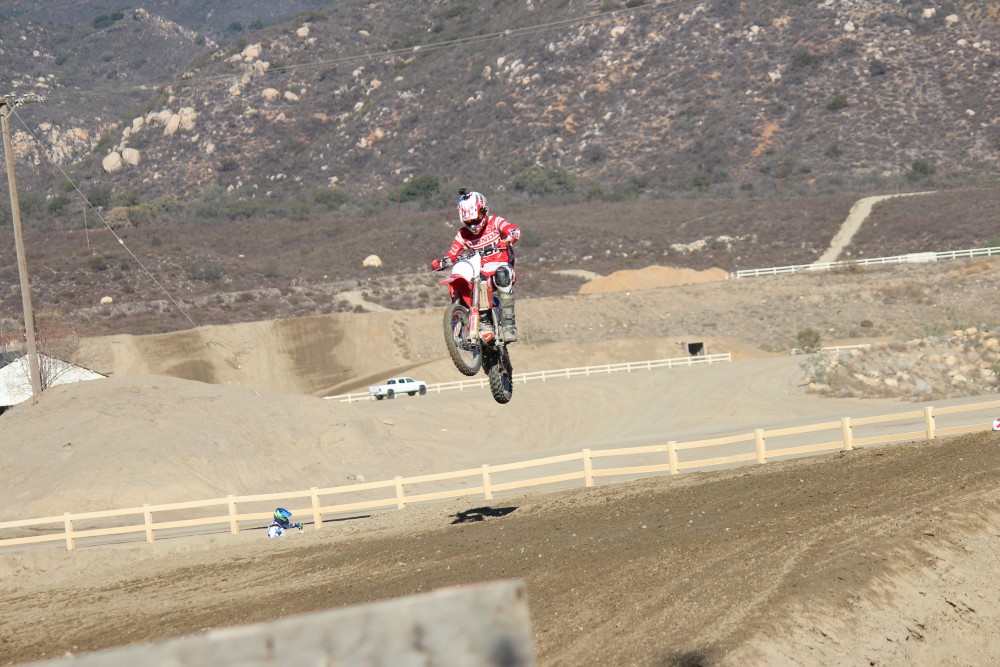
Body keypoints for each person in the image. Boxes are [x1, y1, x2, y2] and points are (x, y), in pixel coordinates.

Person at [431, 189, 521, 342]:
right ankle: (484, 323)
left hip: (503, 265)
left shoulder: (495, 222)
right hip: (481, 270)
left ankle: (509, 325)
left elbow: (514, 230)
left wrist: (508, 239)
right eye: (469, 222)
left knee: (502, 275)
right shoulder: (463, 234)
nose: (473, 225)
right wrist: (442, 262)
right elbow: (452, 253)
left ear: (484, 210)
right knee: (478, 282)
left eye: (475, 220)